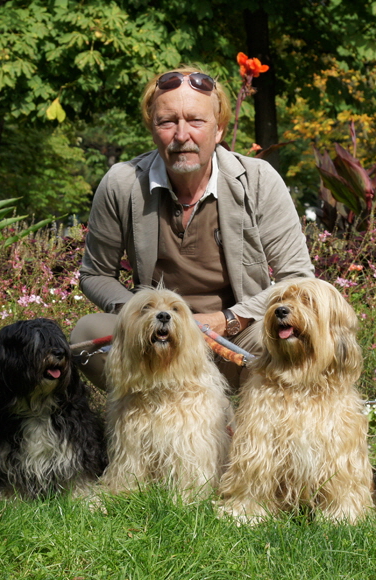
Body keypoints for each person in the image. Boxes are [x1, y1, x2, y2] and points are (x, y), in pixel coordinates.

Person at [71, 65, 314, 390]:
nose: (182, 135)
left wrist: (228, 320)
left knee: (281, 340)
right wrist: (141, 315)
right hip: (157, 338)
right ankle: (163, 414)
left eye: (196, 121)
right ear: (153, 128)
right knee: (86, 336)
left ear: (218, 130)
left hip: (235, 339)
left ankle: (241, 426)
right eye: (167, 121)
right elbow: (95, 274)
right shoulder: (122, 183)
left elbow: (297, 277)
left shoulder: (258, 179)